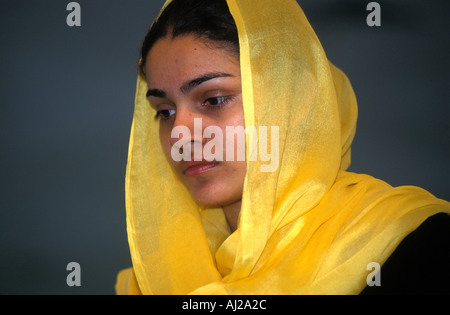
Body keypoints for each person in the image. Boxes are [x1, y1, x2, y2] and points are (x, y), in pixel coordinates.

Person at [115, 0, 450, 295]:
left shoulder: (412, 246)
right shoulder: (151, 281)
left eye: (214, 99)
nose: (180, 134)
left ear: (298, 98)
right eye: (165, 112)